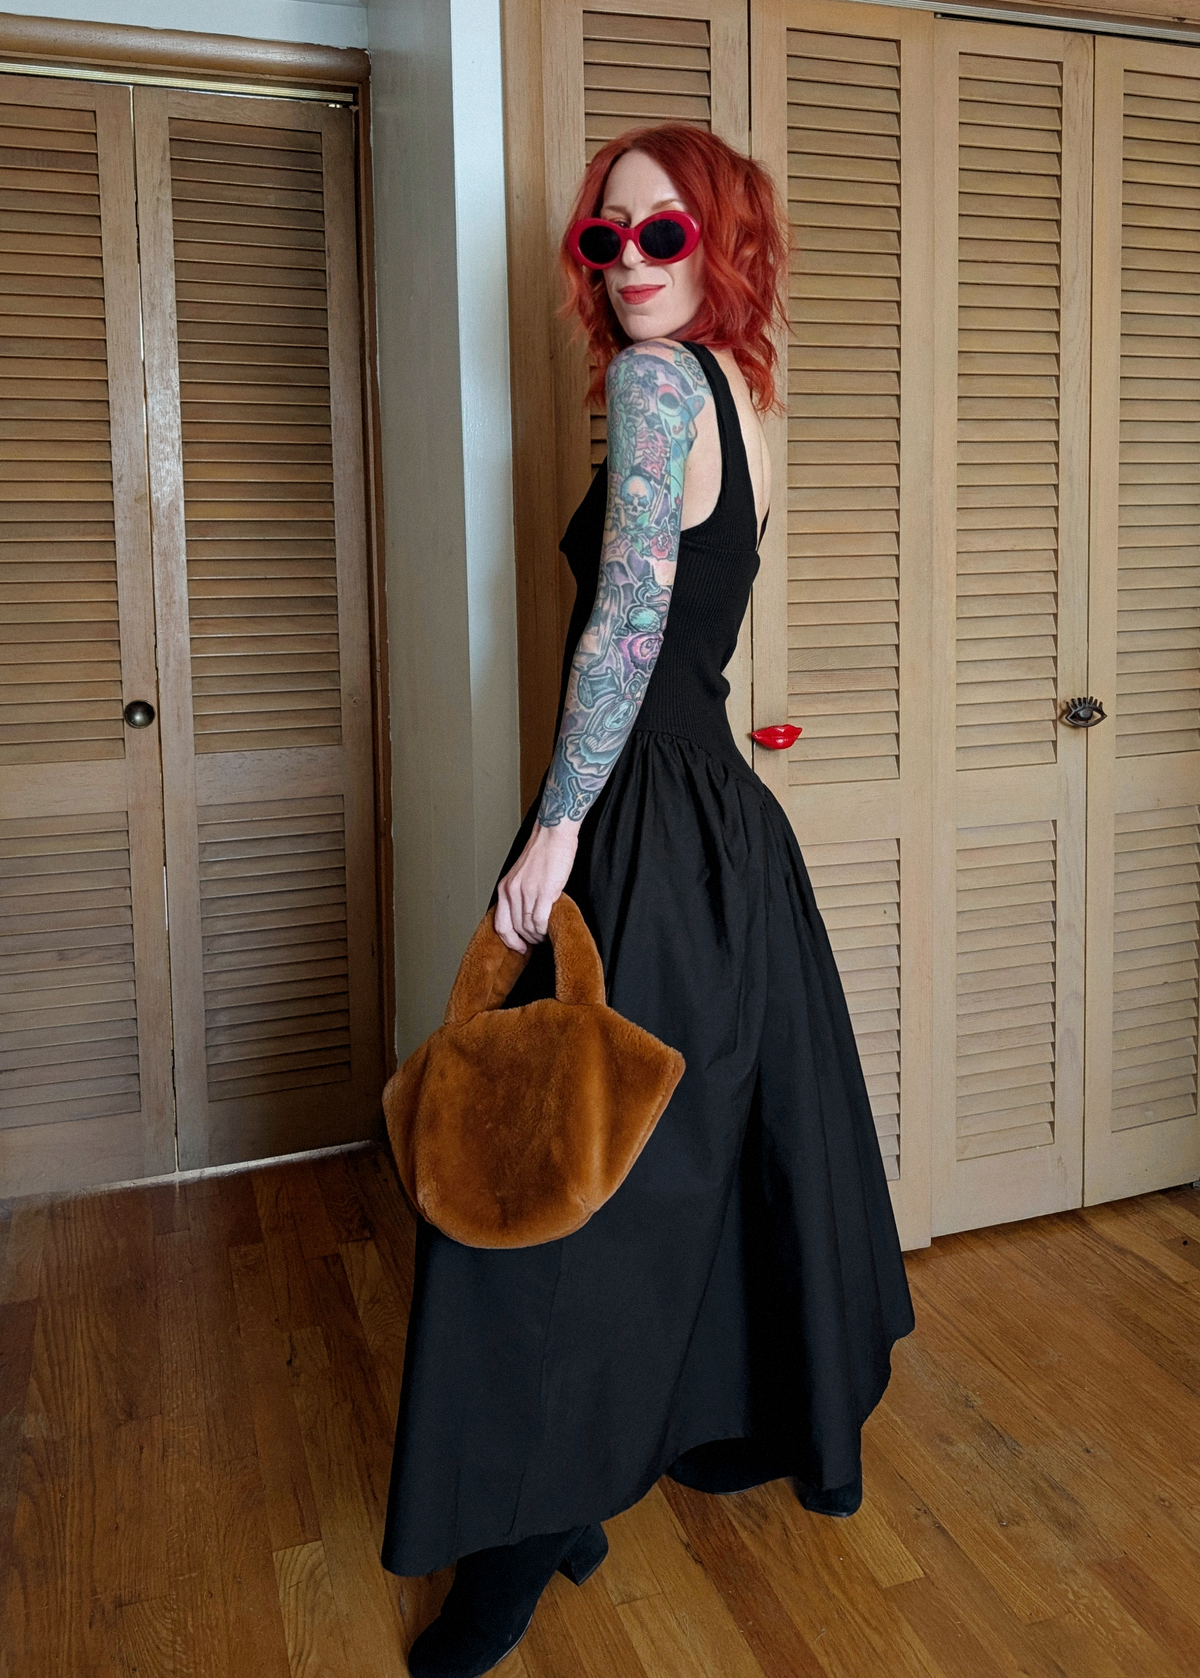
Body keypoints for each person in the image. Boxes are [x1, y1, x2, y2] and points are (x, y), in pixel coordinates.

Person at [383, 123, 915, 1678]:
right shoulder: (749, 397)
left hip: (634, 831)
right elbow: (690, 627)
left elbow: (627, 630)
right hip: (723, 840)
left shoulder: (657, 386)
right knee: (657, 1178)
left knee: (547, 1193)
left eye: (660, 235)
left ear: (722, 241)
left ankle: (516, 1549)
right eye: (600, 240)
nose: (624, 264)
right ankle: (577, 1483)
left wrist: (553, 833)